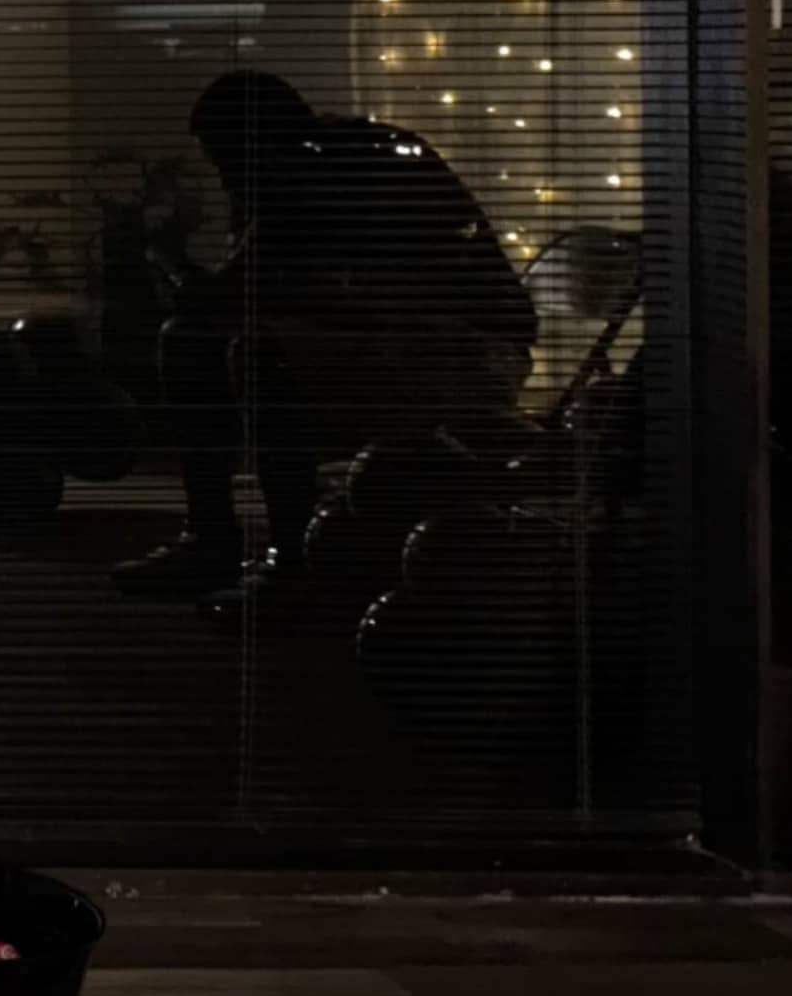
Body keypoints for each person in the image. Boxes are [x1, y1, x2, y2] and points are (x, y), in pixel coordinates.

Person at [118, 69, 536, 614]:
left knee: (256, 354)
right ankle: (221, 539)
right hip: (421, 339)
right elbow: (269, 286)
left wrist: (193, 277)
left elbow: (283, 285)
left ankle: (291, 560)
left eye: (225, 160)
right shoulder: (317, 161)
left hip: (463, 350)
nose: (224, 179)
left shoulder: (325, 170)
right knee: (199, 340)